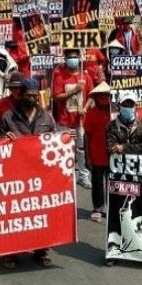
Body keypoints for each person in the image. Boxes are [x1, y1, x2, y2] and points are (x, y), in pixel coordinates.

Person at [0, 78, 55, 269]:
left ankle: (41, 251)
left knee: (39, 213)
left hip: (40, 174)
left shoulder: (47, 118)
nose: (32, 98)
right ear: (21, 95)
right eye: (28, 95)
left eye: (35, 95)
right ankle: (11, 253)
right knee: (15, 214)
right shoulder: (8, 117)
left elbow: (54, 141)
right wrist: (4, 138)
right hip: (16, 175)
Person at [52, 49, 94, 188]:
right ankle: (65, 177)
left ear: (79, 58)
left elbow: (91, 96)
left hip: (81, 121)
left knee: (81, 150)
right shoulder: (59, 75)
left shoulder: (85, 76)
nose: (73, 59)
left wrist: (85, 108)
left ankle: (83, 176)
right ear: (65, 59)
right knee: (64, 150)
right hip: (64, 120)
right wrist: (74, 91)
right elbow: (56, 97)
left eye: (75, 57)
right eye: (70, 57)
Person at [83, 82, 112, 223]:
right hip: (96, 155)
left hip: (113, 156)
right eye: (100, 96)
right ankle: (98, 208)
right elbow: (86, 135)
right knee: (97, 185)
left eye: (106, 95)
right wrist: (87, 157)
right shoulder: (91, 113)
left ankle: (113, 208)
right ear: (95, 98)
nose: (103, 98)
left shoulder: (115, 112)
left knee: (112, 184)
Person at [106, 91, 142, 155]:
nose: (128, 107)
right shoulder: (111, 126)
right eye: (125, 105)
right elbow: (112, 149)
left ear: (135, 106)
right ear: (118, 106)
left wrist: (124, 148)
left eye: (131, 105)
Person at [0, 71, 24, 139]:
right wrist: (4, 135)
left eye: (20, 88)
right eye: (14, 88)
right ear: (10, 88)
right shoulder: (1, 104)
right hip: (9, 145)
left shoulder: (30, 104)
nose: (17, 90)